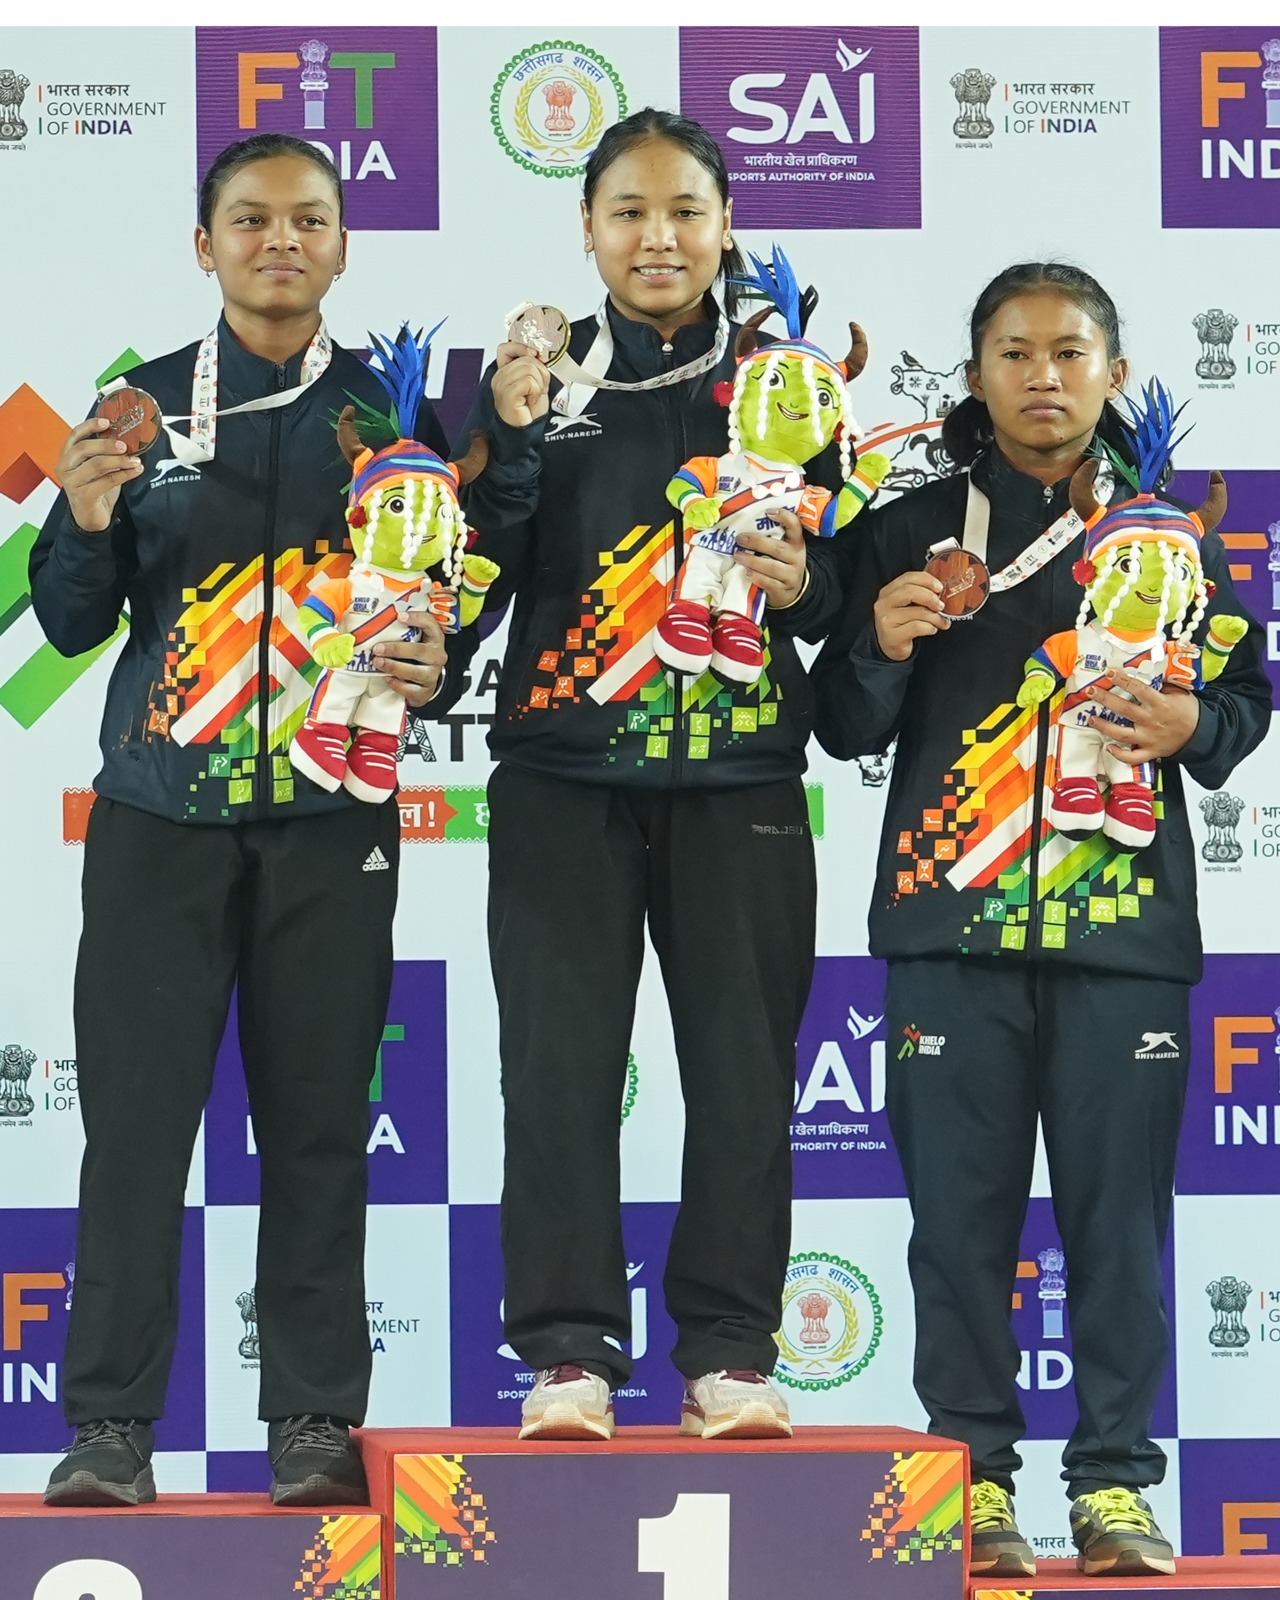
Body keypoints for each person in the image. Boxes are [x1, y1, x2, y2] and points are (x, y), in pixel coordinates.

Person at [811, 263, 1271, 1576]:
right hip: (948, 933)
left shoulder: (1169, 532)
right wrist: (879, 644)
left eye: (1071, 351)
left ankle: (1117, 1484)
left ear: (1114, 374)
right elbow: (840, 725)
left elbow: (1245, 693)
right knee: (958, 1228)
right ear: (975, 375)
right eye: (1014, 352)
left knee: (1118, 1225)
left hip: (1121, 936)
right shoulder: (910, 528)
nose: (1043, 376)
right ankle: (973, 1481)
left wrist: (1195, 722)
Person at [29, 133, 464, 1507]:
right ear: (204, 244)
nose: (282, 241)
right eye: (253, 219)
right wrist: (83, 520)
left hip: (332, 820)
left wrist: (438, 658)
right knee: (137, 1133)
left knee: (320, 1129)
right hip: (159, 822)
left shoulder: (395, 417)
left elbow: (444, 619)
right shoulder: (138, 412)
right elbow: (69, 623)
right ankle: (110, 1429)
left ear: (343, 245)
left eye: (309, 220)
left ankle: (316, 1422)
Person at [456, 108, 870, 1443]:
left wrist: (806, 584)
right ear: (586, 228)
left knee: (744, 1077)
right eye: (628, 211)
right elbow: (469, 585)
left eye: (686, 210)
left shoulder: (787, 383)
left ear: (726, 225)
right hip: (562, 778)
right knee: (558, 1073)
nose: (658, 237)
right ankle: (567, 1352)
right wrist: (510, 444)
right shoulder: (531, 383)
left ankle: (732, 1353)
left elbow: (840, 588)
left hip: (741, 779)